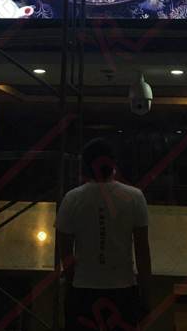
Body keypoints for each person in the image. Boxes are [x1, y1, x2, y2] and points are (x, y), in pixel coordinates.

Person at [56, 138, 152, 331]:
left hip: (83, 288)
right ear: (113, 165)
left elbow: (64, 249)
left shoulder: (72, 198)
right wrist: (146, 295)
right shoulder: (134, 197)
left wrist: (71, 282)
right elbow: (142, 251)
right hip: (123, 289)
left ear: (85, 166)